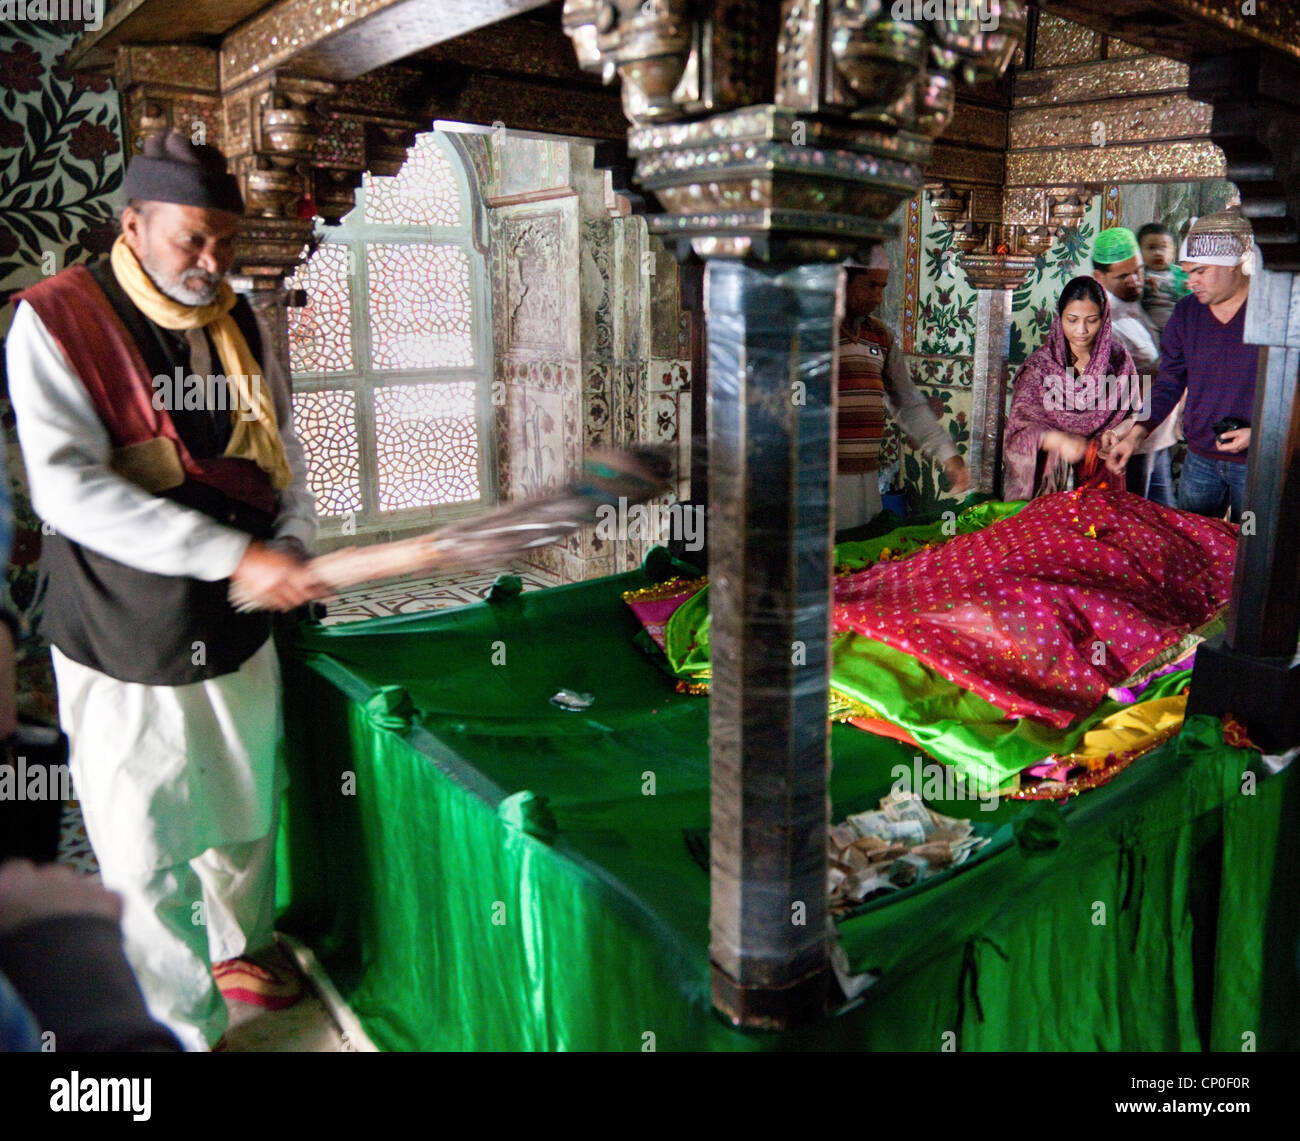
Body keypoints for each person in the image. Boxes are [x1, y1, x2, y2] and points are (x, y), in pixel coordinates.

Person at [4, 131, 327, 1050]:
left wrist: (294, 536)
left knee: (244, 809)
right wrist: (235, 557)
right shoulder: (55, 319)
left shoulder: (241, 318)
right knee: (145, 843)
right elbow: (69, 489)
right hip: (122, 630)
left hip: (234, 621)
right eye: (192, 238)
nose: (212, 260)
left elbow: (278, 453)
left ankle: (241, 948)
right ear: (134, 222)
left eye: (226, 239)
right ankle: (181, 1028)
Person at [1108, 210, 1258, 524]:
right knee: (1192, 544)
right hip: (1200, 460)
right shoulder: (1187, 313)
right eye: (1188, 271)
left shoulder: (1271, 311)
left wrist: (1260, 434)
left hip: (1258, 465)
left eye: (1200, 271)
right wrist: (1136, 435)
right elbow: (1169, 383)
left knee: (1252, 546)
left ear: (1236, 265)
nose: (1191, 281)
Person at [836, 252, 970, 528]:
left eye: (883, 288)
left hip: (866, 477)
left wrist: (948, 455)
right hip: (822, 480)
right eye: (870, 286)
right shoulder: (812, 333)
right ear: (841, 280)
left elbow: (907, 403)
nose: (877, 298)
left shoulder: (879, 336)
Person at [1002, 275, 1137, 500]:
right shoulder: (1039, 368)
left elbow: (1137, 415)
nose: (1081, 330)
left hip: (1102, 477)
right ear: (1059, 318)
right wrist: (1055, 440)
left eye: (1091, 320)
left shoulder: (1120, 360)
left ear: (1104, 320)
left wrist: (1116, 432)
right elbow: (1017, 432)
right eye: (1072, 320)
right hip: (1050, 483)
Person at [1091, 226, 1179, 507]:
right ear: (1099, 277)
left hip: (1156, 432)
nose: (1135, 280)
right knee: (1134, 518)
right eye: (1123, 276)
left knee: (1161, 515)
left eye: (1138, 271)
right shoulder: (1099, 319)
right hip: (1128, 441)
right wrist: (1169, 365)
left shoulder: (1136, 302)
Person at [1137, 222, 1190, 333]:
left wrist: (1188, 289)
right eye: (1151, 248)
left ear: (1173, 251)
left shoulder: (1181, 274)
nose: (1158, 253)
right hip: (1147, 329)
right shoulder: (1138, 274)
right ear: (1139, 251)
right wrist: (1143, 285)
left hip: (1177, 329)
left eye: (1164, 247)